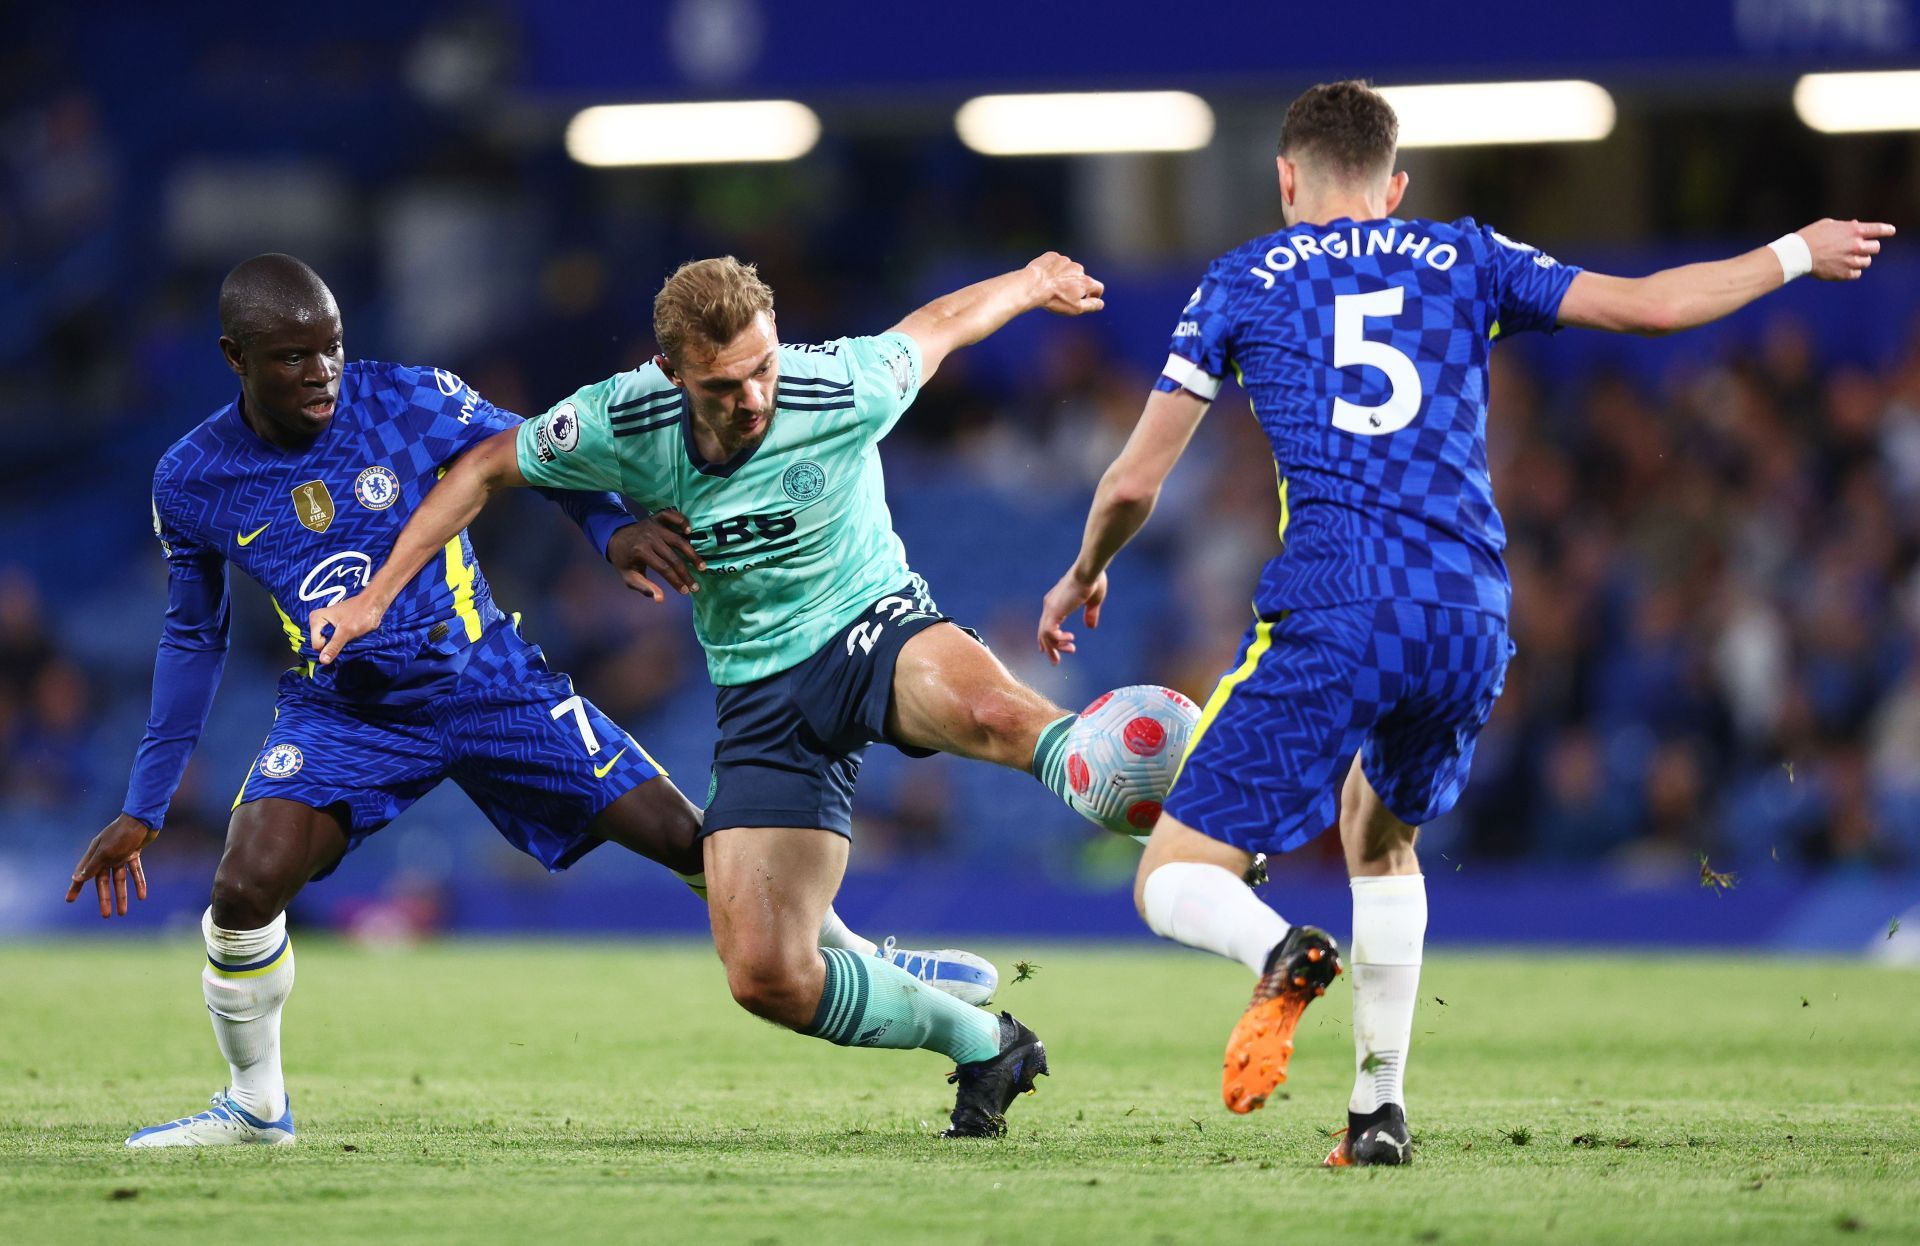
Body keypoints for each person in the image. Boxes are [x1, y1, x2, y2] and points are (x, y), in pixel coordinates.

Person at [1036, 80, 1894, 1167]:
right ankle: (1379, 1110)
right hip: (1470, 609)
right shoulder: (1465, 254)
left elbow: (1132, 481)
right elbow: (1652, 307)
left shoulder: (1244, 278)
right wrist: (1795, 254)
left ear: (1286, 178)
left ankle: (1278, 951)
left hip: (1340, 597)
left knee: (1173, 877)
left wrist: (1085, 570)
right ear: (1395, 188)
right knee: (1381, 837)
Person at [67, 254, 993, 1149]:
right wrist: (145, 806)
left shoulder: (407, 400)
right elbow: (194, 637)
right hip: (346, 714)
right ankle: (255, 1110)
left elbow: (546, 451)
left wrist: (615, 533)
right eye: (292, 357)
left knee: (693, 844)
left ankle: (867, 959)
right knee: (242, 887)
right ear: (235, 358)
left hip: (488, 684)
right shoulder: (192, 479)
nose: (322, 373)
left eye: (332, 348)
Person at [310, 252, 1107, 1137]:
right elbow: (483, 469)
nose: (755, 397)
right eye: (725, 385)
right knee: (767, 977)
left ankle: (1172, 807)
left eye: (764, 367)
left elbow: (941, 323)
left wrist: (1034, 281)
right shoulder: (620, 417)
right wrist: (378, 597)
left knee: (999, 714)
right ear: (672, 373)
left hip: (870, 625)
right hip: (760, 692)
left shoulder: (840, 384)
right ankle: (984, 1041)